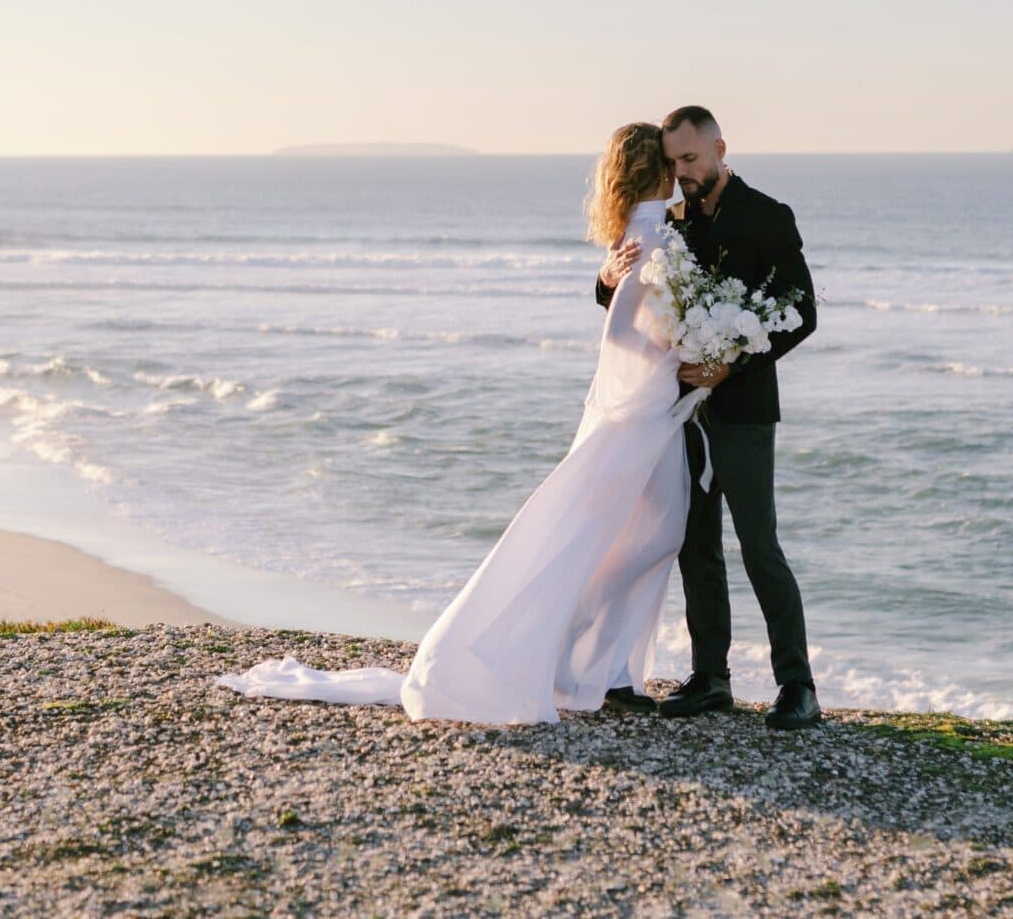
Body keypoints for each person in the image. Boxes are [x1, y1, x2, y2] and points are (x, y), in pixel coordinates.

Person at [217, 123, 713, 724]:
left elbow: (631, 313)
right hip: (639, 409)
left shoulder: (655, 230)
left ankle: (598, 669)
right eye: (670, 161)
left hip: (649, 409)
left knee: (638, 537)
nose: (678, 169)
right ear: (653, 169)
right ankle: (580, 666)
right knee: (634, 538)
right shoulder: (651, 234)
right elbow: (631, 332)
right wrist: (690, 349)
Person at [597, 104, 821, 730]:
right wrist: (605, 276)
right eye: (673, 164)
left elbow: (802, 312)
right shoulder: (670, 223)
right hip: (678, 414)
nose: (683, 173)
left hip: (744, 410)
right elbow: (629, 297)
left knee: (758, 547)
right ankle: (711, 679)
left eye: (691, 160)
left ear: (721, 148)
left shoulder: (769, 216)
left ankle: (798, 686)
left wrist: (732, 364)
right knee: (696, 548)